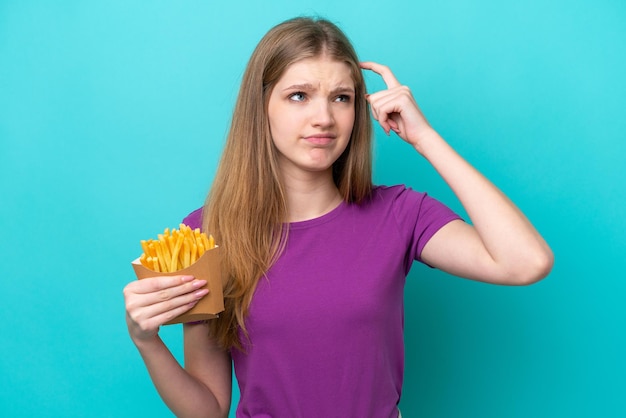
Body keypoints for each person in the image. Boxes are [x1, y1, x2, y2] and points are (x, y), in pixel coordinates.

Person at [123, 16, 553, 418]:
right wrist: (147, 342)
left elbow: (525, 262)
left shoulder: (401, 213)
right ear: (262, 107)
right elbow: (208, 408)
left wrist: (425, 138)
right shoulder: (206, 232)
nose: (324, 118)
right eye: (299, 96)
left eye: (341, 98)